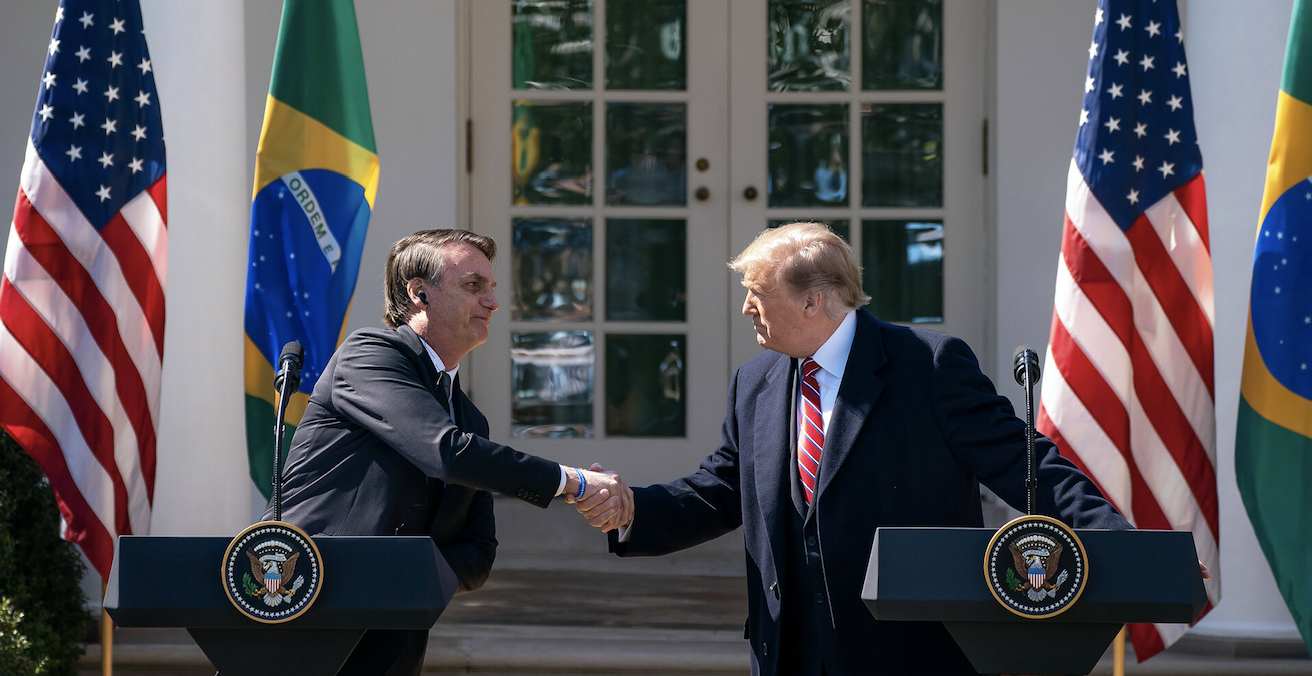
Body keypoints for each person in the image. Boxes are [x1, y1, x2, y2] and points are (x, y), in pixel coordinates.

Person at [574, 222, 1130, 675]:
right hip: (788, 649)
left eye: (758, 294)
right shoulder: (755, 381)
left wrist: (1118, 542)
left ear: (814, 300)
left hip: (905, 649)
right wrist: (632, 509)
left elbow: (1024, 462)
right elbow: (721, 489)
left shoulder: (928, 365)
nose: (746, 309)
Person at [266, 229, 631, 675]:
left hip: (393, 643)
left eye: (492, 288)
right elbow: (445, 453)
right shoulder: (370, 355)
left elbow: (478, 554)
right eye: (474, 286)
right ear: (418, 293)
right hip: (305, 613)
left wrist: (400, 576)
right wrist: (571, 482)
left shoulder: (470, 420)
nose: (493, 302)